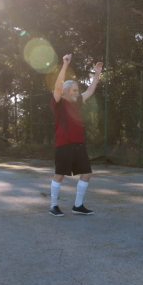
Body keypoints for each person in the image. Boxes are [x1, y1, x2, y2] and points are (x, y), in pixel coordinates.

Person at [48, 54, 103, 216]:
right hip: (63, 143)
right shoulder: (58, 102)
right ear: (66, 91)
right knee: (59, 174)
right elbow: (57, 87)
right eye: (74, 90)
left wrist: (97, 73)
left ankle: (78, 205)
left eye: (77, 90)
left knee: (87, 173)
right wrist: (65, 65)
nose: (77, 92)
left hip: (79, 143)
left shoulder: (77, 101)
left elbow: (90, 90)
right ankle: (53, 205)